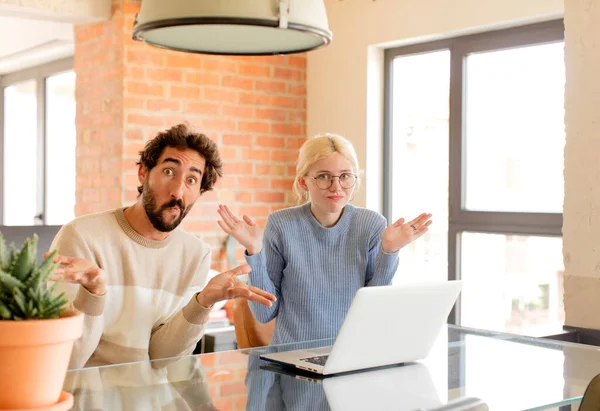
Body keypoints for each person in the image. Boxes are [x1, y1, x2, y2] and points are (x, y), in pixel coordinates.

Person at [48, 124, 275, 369]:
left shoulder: (195, 255)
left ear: (200, 191)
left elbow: (162, 359)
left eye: (191, 180)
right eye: (168, 171)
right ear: (143, 173)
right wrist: (94, 293)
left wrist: (202, 303)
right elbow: (65, 361)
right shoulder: (81, 237)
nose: (178, 190)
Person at [217, 133, 431, 345]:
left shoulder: (372, 224)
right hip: (293, 361)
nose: (336, 187)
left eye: (345, 176)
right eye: (323, 176)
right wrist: (255, 251)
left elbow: (374, 313)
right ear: (303, 182)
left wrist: (390, 252)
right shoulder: (281, 224)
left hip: (353, 357)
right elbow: (265, 314)